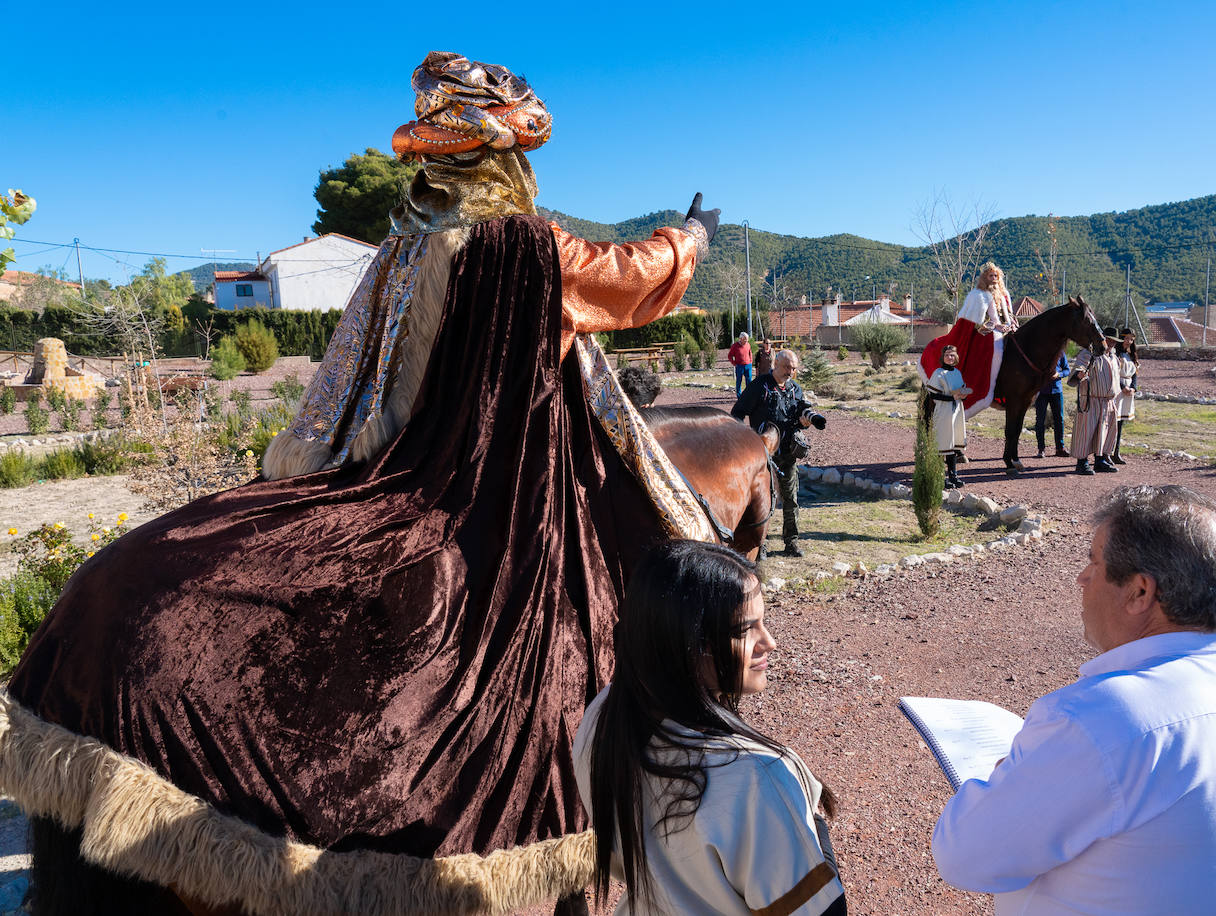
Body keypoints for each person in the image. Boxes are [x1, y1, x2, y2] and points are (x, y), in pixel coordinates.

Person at [3, 51, 722, 915]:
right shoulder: (527, 246)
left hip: (386, 462)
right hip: (490, 489)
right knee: (578, 620)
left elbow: (350, 378)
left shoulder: (403, 248)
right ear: (507, 157)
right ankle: (601, 797)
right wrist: (692, 237)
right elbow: (630, 278)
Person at [932, 485, 1216, 915]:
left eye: (1094, 562)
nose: (1082, 578)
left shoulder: (1101, 719)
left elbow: (964, 857)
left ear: (1140, 592)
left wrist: (1006, 774)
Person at [573, 540, 846, 916]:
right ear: (689, 644)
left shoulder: (602, 715)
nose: (770, 643)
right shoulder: (756, 776)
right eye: (744, 630)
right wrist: (812, 819)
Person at [732, 348, 823, 558]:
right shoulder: (759, 386)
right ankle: (760, 545)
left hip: (788, 454)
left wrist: (805, 423)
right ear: (776, 364)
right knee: (765, 502)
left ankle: (791, 542)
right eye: (786, 367)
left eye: (793, 369)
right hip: (764, 456)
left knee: (791, 500)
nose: (790, 372)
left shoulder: (795, 389)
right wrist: (746, 441)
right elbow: (737, 413)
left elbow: (798, 418)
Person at [917, 261, 1016, 417]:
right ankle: (988, 388)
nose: (994, 278)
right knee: (994, 348)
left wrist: (1011, 324)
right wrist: (997, 327)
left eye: (996, 275)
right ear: (985, 277)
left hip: (1006, 327)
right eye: (991, 275)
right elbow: (982, 320)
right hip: (986, 329)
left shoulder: (1004, 294)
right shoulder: (979, 295)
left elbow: (1009, 314)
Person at [1068, 327, 1122, 475]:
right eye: (1109, 340)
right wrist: (1080, 374)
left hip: (1109, 402)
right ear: (1102, 339)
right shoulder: (1089, 353)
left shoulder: (1114, 357)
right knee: (1086, 432)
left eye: (1114, 341)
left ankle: (1100, 461)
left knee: (1105, 432)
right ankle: (1082, 463)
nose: (1111, 343)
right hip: (1091, 401)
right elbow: (1079, 369)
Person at [928, 344, 972, 488]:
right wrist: (952, 399)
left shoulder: (957, 373)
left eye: (952, 355)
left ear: (956, 357)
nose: (949, 357)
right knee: (943, 444)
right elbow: (933, 394)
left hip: (956, 411)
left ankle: (953, 476)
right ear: (943, 357)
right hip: (943, 411)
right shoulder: (938, 373)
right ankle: (940, 478)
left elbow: (960, 392)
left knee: (952, 445)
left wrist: (963, 396)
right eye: (947, 355)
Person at [1033, 349, 1072, 459]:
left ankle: (1060, 448)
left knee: (1059, 419)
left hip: (1056, 391)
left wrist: (1058, 374)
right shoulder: (1039, 352)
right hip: (1041, 391)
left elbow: (1067, 370)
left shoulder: (1060, 353)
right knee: (1040, 420)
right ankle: (1041, 449)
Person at [1112, 328, 1138, 465]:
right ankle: (1107, 453)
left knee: (1120, 423)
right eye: (1127, 338)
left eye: (1132, 339)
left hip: (1128, 393)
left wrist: (1133, 387)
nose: (1129, 341)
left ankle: (1116, 452)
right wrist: (1123, 387)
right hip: (1118, 391)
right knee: (1113, 423)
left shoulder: (1131, 355)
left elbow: (1134, 374)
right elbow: (1114, 374)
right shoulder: (1114, 354)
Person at [728, 332, 753, 396]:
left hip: (748, 365)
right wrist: (734, 363)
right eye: (745, 339)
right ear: (741, 339)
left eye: (747, 339)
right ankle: (739, 396)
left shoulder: (748, 344)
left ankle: (748, 395)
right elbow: (730, 356)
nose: (746, 341)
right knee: (739, 381)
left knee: (749, 381)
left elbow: (750, 353)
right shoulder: (735, 346)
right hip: (739, 366)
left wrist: (751, 361)